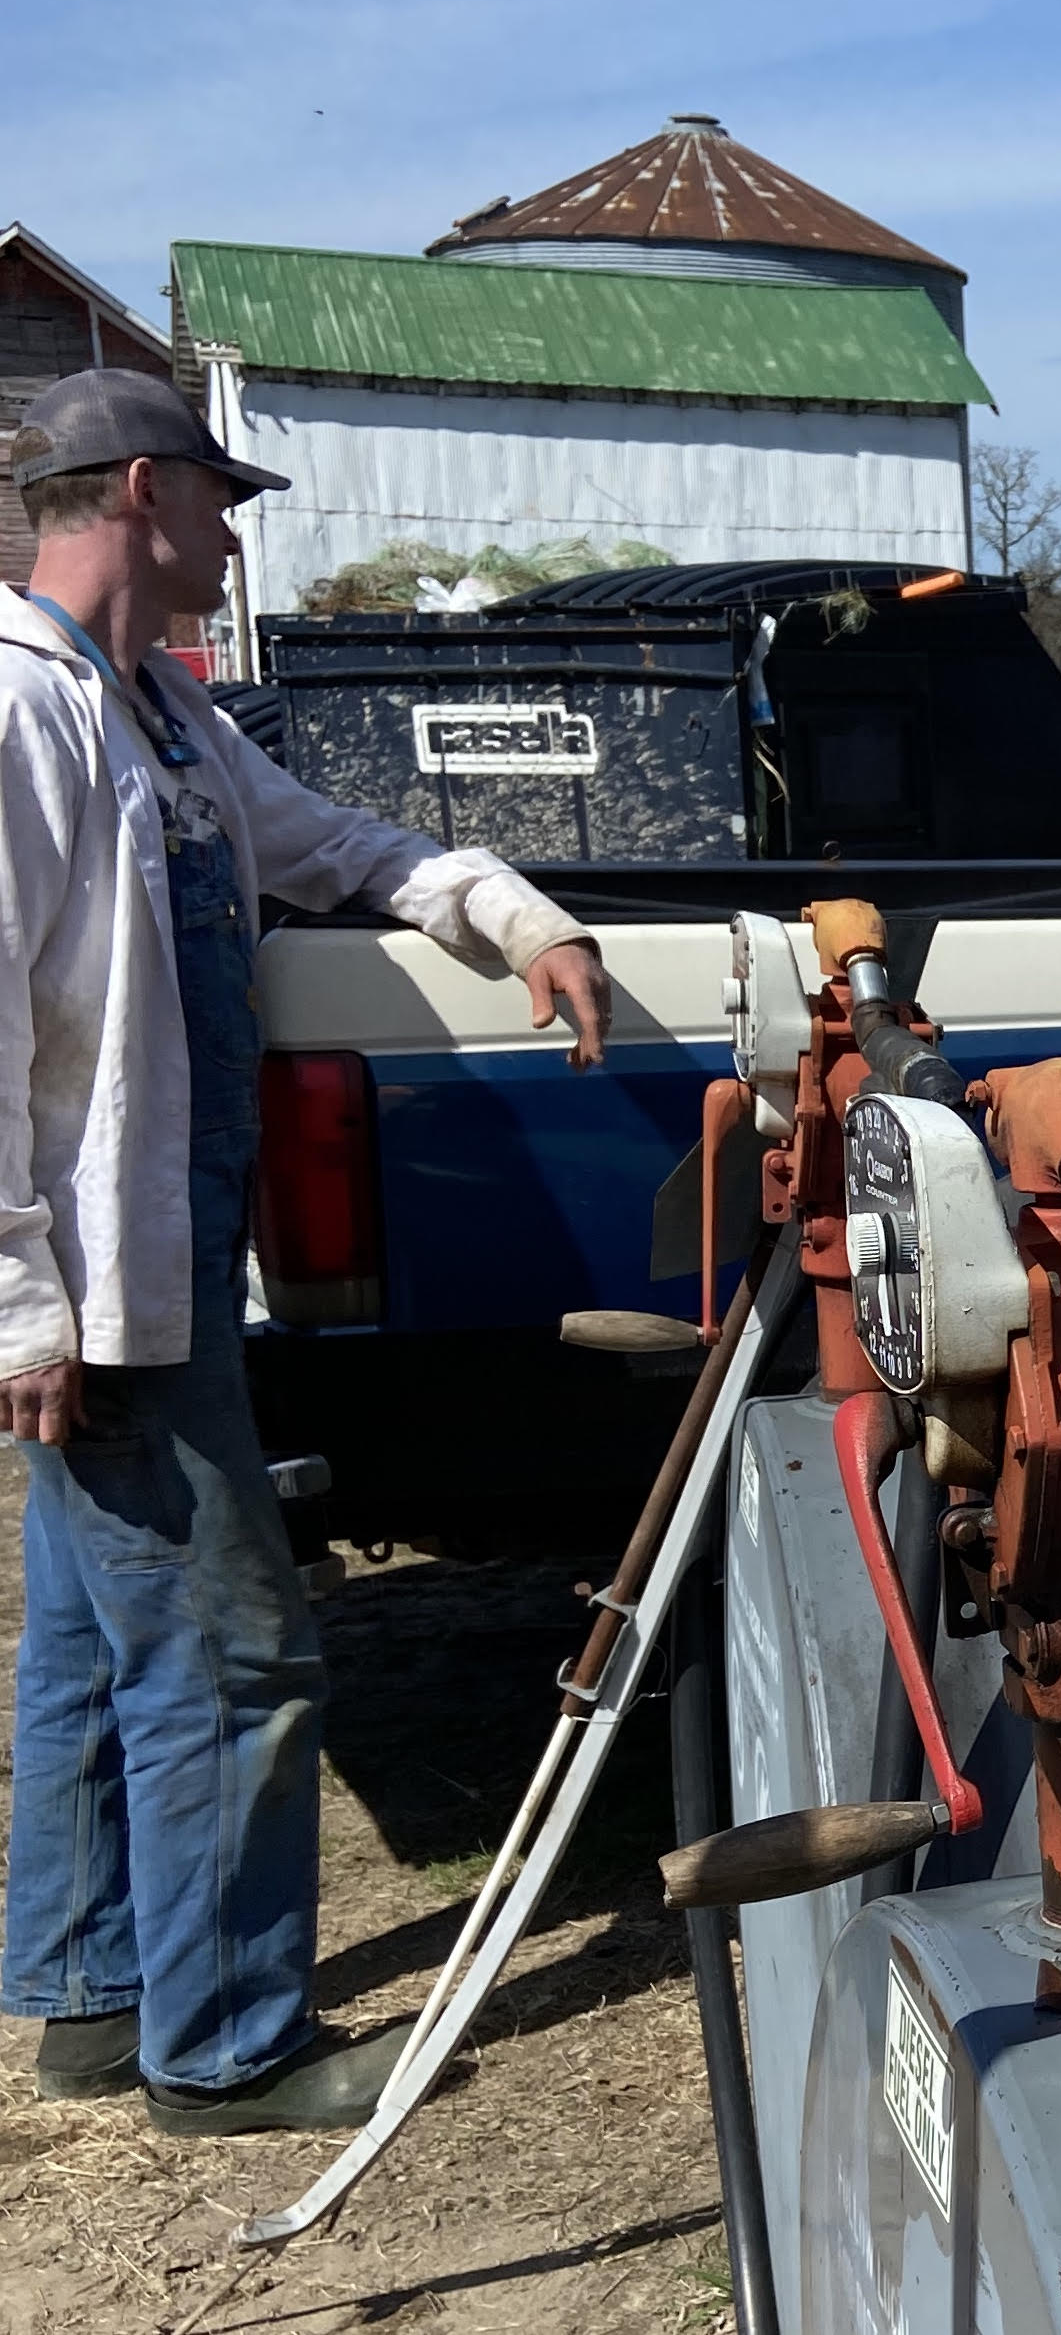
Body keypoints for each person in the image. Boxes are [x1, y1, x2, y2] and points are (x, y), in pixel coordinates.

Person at [0, 370, 613, 2132]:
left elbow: (338, 849)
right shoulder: (25, 716)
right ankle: (228, 2045)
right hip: (104, 1281)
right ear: (134, 488)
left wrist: (508, 911)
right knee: (236, 1652)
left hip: (170, 1246)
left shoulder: (165, 718)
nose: (236, 521)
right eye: (218, 494)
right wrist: (22, 1300)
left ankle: (97, 1991)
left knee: (90, 1645)